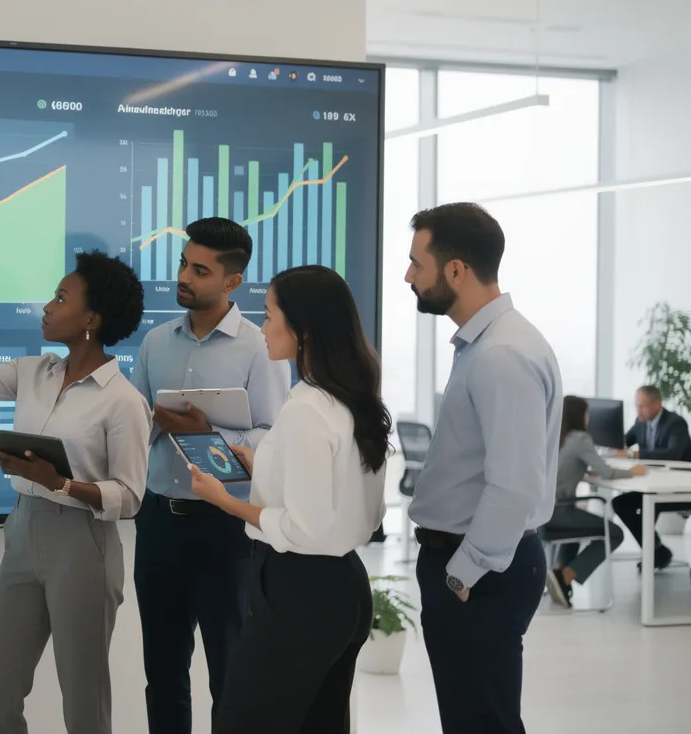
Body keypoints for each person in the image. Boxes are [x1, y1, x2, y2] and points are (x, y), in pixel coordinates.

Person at [0, 242, 151, 734]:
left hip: (82, 545)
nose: (47, 307)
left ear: (92, 317)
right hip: (22, 531)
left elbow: (130, 497)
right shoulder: (35, 372)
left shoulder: (124, 401)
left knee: (84, 705)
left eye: (61, 298)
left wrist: (64, 483)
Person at [187, 265, 389, 733]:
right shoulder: (351, 399)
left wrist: (224, 499)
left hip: (299, 593)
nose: (262, 326)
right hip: (345, 590)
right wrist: (265, 467)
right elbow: (347, 500)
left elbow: (303, 528)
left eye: (270, 315)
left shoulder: (304, 410)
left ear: (303, 330)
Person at [128, 217, 289, 733]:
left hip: (225, 530)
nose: (186, 277)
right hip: (158, 525)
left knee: (231, 673)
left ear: (231, 282)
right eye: (184, 264)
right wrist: (145, 423)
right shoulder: (156, 342)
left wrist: (207, 434)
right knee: (163, 674)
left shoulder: (258, 347)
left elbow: (274, 437)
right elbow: (132, 424)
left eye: (200, 270)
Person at [405, 202, 561, 734]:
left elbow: (515, 486)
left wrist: (461, 573)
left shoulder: (501, 355)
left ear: (455, 270)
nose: (408, 277)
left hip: (480, 571)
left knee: (482, 722)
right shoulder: (488, 344)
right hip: (477, 564)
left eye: (416, 265)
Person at [543, 396, 640, 608]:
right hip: (559, 512)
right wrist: (632, 471)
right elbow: (607, 472)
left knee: (579, 530)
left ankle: (557, 573)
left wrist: (584, 468)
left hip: (541, 515)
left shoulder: (554, 435)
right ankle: (565, 576)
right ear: (581, 416)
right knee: (614, 533)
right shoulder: (580, 439)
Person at [610, 385, 691, 569]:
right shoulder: (641, 422)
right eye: (637, 406)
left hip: (678, 490)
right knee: (621, 503)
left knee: (646, 505)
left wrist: (634, 455)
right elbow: (623, 441)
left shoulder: (676, 423)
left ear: (657, 404)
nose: (638, 410)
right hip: (653, 487)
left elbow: (673, 454)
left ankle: (657, 553)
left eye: (642, 406)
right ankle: (657, 551)